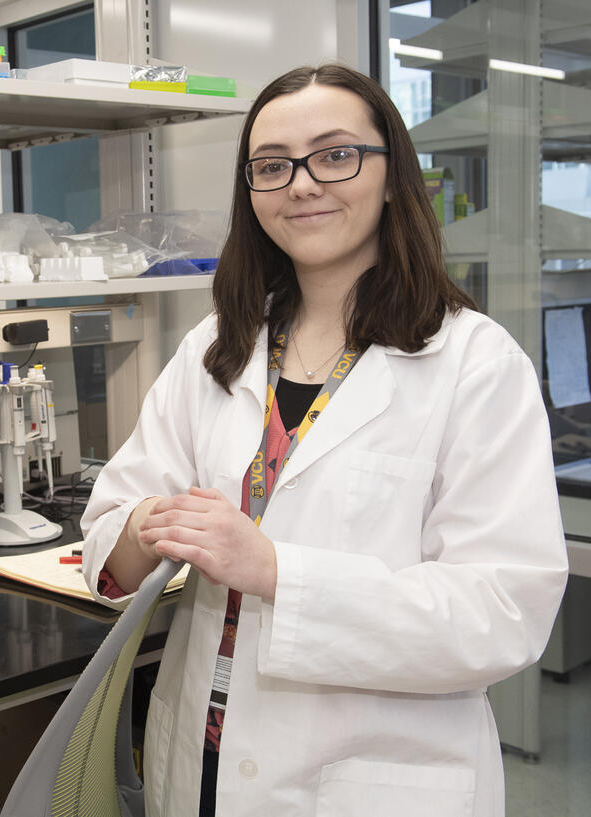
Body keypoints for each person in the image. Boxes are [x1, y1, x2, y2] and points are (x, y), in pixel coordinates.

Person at [80, 63, 568, 817]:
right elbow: (109, 529)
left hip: (367, 779)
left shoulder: (475, 362)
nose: (301, 184)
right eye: (272, 166)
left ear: (392, 176)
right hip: (200, 759)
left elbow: (503, 610)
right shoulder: (218, 348)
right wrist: (145, 525)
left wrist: (277, 569)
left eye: (335, 154)